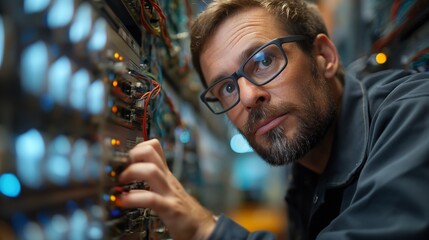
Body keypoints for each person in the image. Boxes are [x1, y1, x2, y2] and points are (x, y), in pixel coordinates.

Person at [117, 0, 429, 239]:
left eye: (264, 61)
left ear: (324, 56)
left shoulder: (414, 114)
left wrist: (206, 230)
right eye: (227, 87)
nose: (249, 97)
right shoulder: (304, 174)